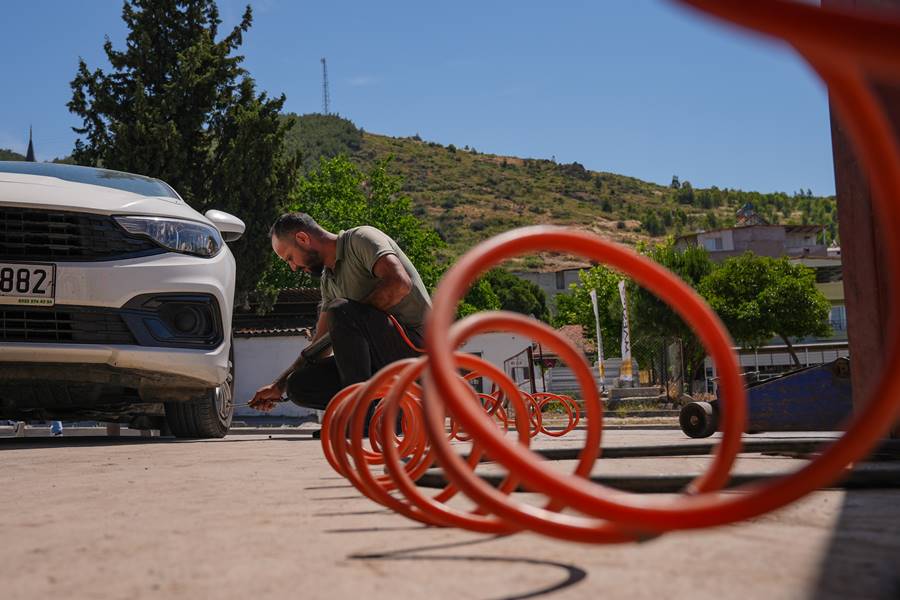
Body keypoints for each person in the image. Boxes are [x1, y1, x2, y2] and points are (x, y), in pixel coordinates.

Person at [249, 213, 431, 429]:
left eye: (289, 258)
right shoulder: (328, 282)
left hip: (418, 352)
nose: (293, 267)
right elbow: (320, 345)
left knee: (342, 311)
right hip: (377, 362)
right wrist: (279, 385)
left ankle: (361, 418)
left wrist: (350, 317)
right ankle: (391, 415)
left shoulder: (362, 239)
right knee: (298, 384)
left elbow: (399, 284)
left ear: (303, 239)